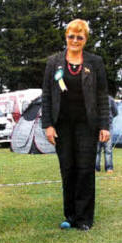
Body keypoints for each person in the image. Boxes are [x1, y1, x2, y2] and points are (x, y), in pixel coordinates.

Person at [42, 19, 110, 231]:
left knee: (85, 170)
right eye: (71, 36)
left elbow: (101, 95)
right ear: (66, 37)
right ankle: (70, 216)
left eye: (79, 37)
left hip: (87, 125)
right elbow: (46, 95)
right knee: (68, 169)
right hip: (61, 125)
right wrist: (48, 125)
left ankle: (84, 219)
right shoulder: (54, 62)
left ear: (85, 39)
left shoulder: (95, 62)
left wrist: (104, 125)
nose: (75, 40)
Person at [95, 95, 118, 173]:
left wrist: (109, 118)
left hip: (108, 127)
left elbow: (115, 112)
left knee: (108, 149)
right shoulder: (94, 99)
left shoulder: (110, 99)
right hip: (96, 127)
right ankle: (96, 168)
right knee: (97, 149)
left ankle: (109, 168)